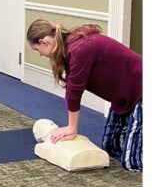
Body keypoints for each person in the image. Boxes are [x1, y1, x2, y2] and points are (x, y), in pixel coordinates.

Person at [27, 20, 143, 172]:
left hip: (141, 87)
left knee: (131, 162)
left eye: (37, 50)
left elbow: (74, 92)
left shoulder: (80, 48)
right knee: (110, 147)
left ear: (44, 42)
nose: (41, 54)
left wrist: (71, 128)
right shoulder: (70, 49)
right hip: (123, 95)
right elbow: (72, 87)